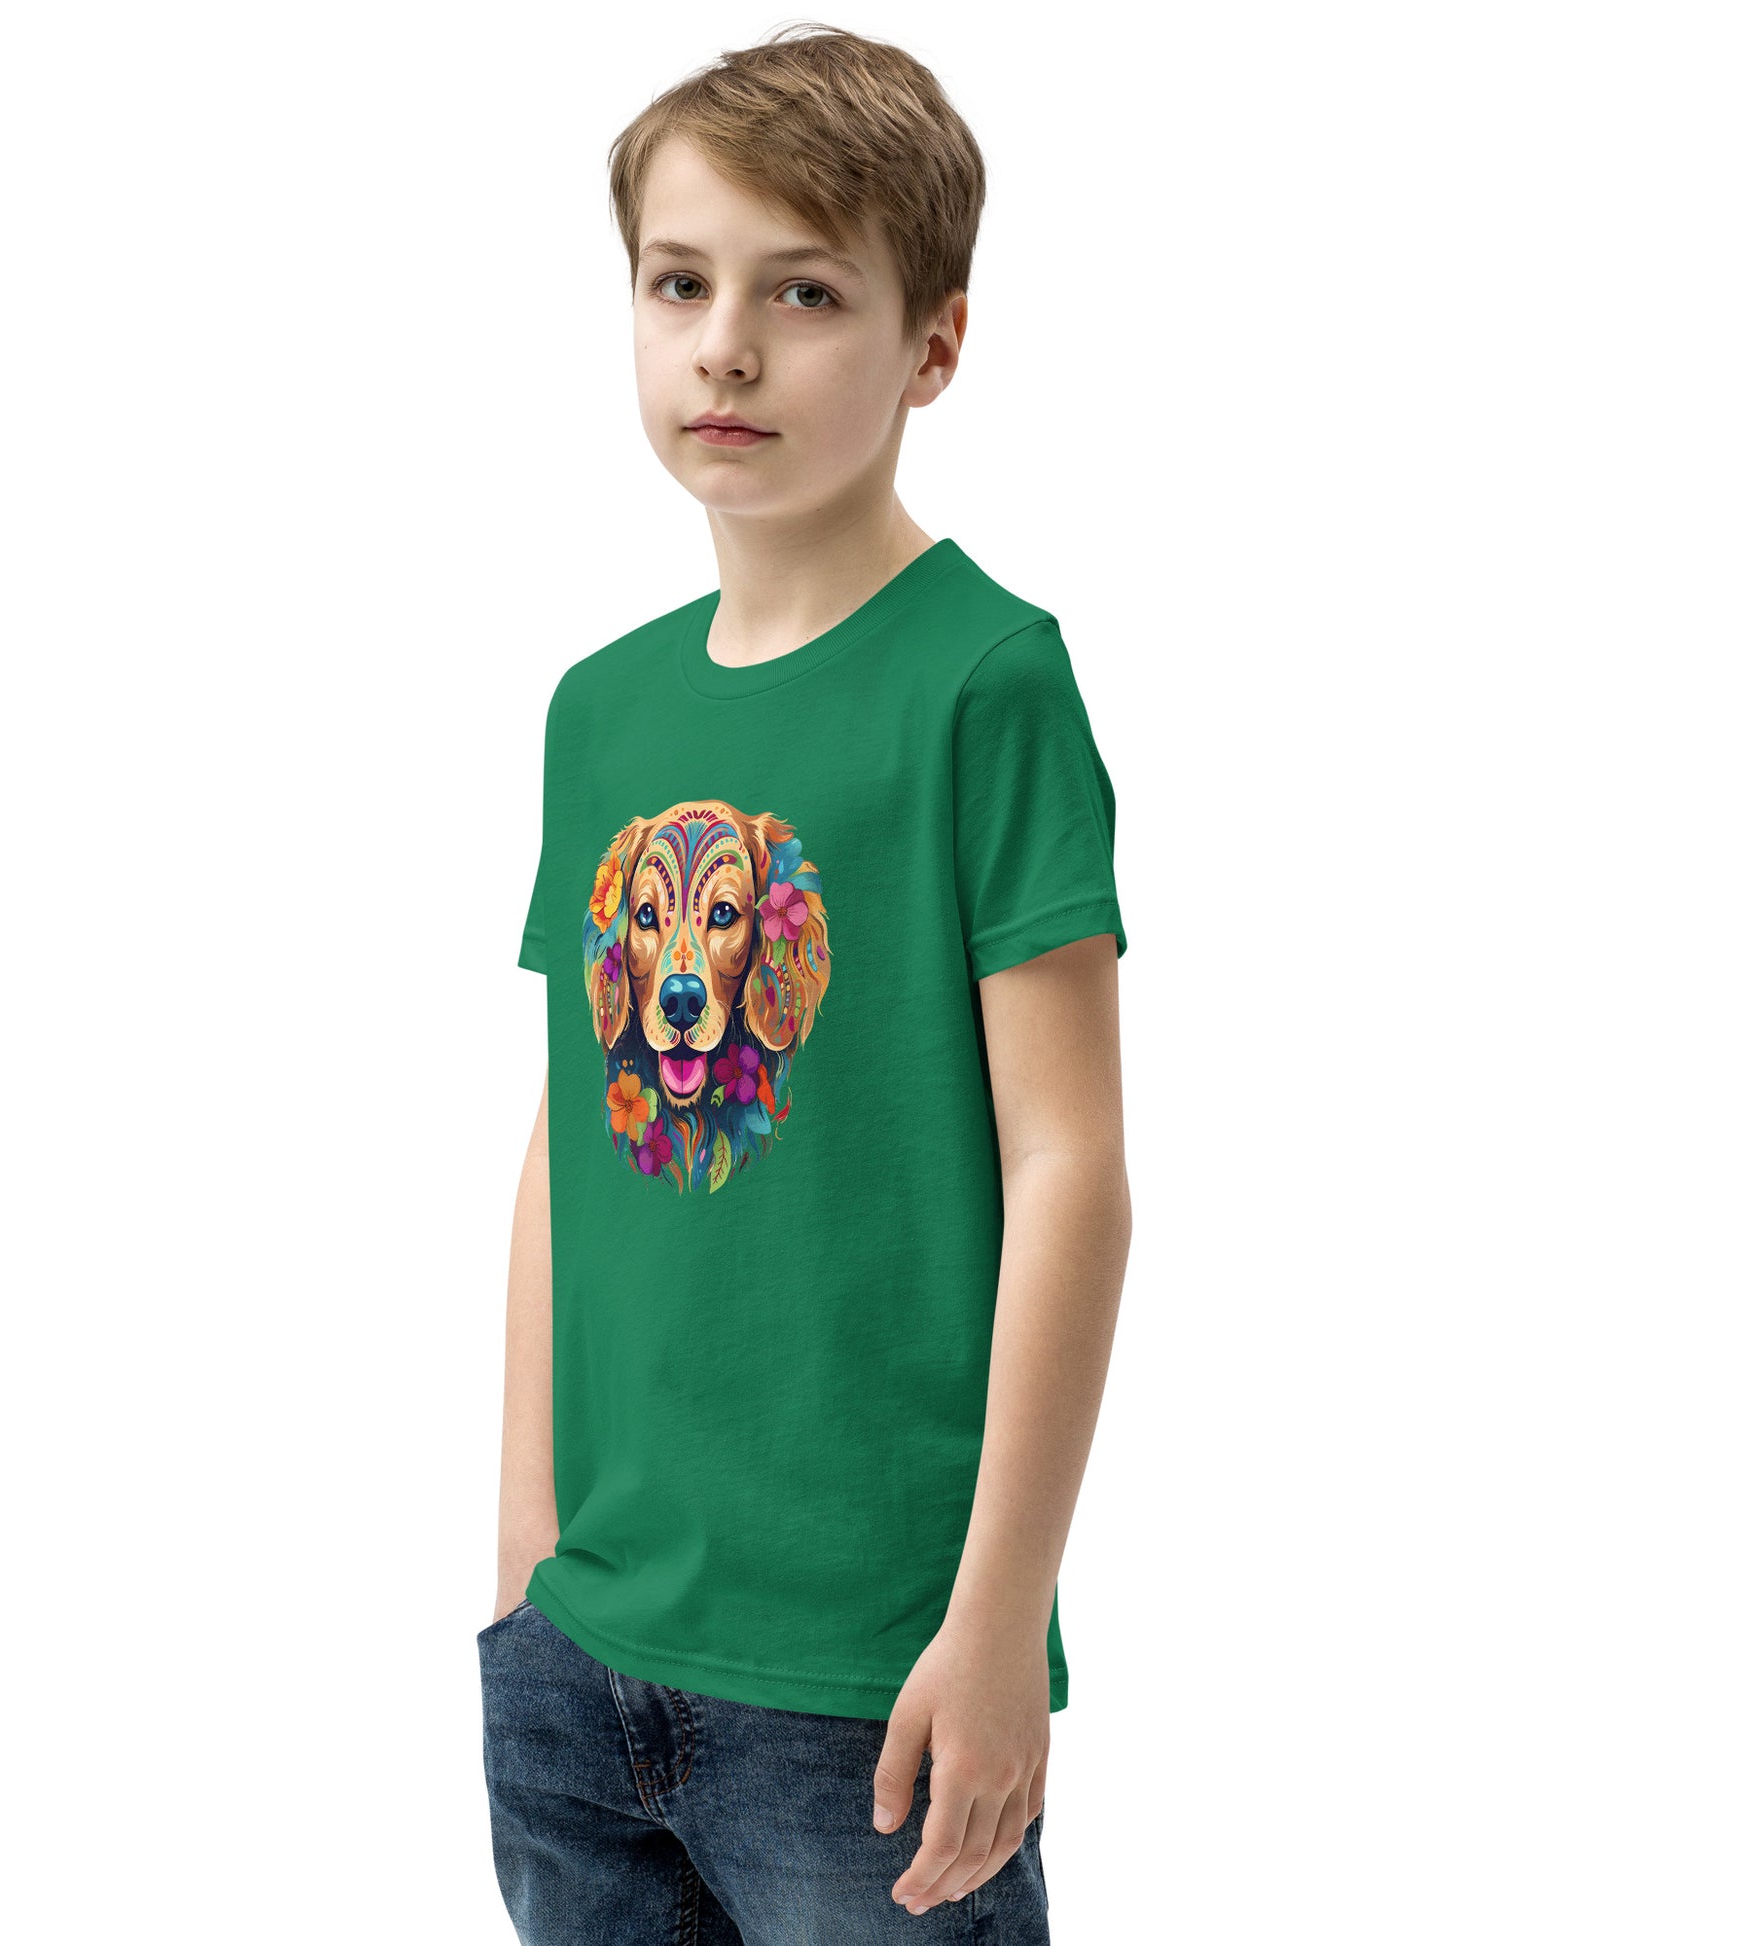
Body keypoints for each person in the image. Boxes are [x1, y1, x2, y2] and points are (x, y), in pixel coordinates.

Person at [480, 24, 1131, 1941]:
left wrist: (997, 1621)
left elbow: (1073, 1169)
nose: (725, 349)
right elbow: (566, 1138)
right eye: (678, 284)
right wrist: (525, 1566)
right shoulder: (599, 709)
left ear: (934, 344)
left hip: (866, 1683)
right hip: (581, 1658)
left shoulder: (983, 679)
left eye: (804, 293)